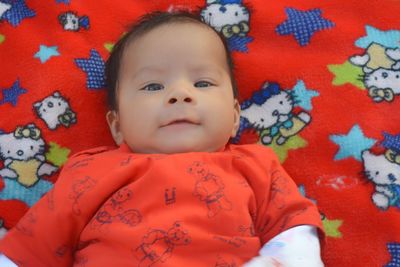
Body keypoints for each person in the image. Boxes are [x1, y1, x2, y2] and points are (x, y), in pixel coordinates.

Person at [0, 11, 324, 267]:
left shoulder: (256, 165)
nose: (179, 94)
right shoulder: (89, 172)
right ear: (117, 125)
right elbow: (31, 247)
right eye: (153, 87)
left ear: (235, 115)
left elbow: (294, 228)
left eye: (203, 83)